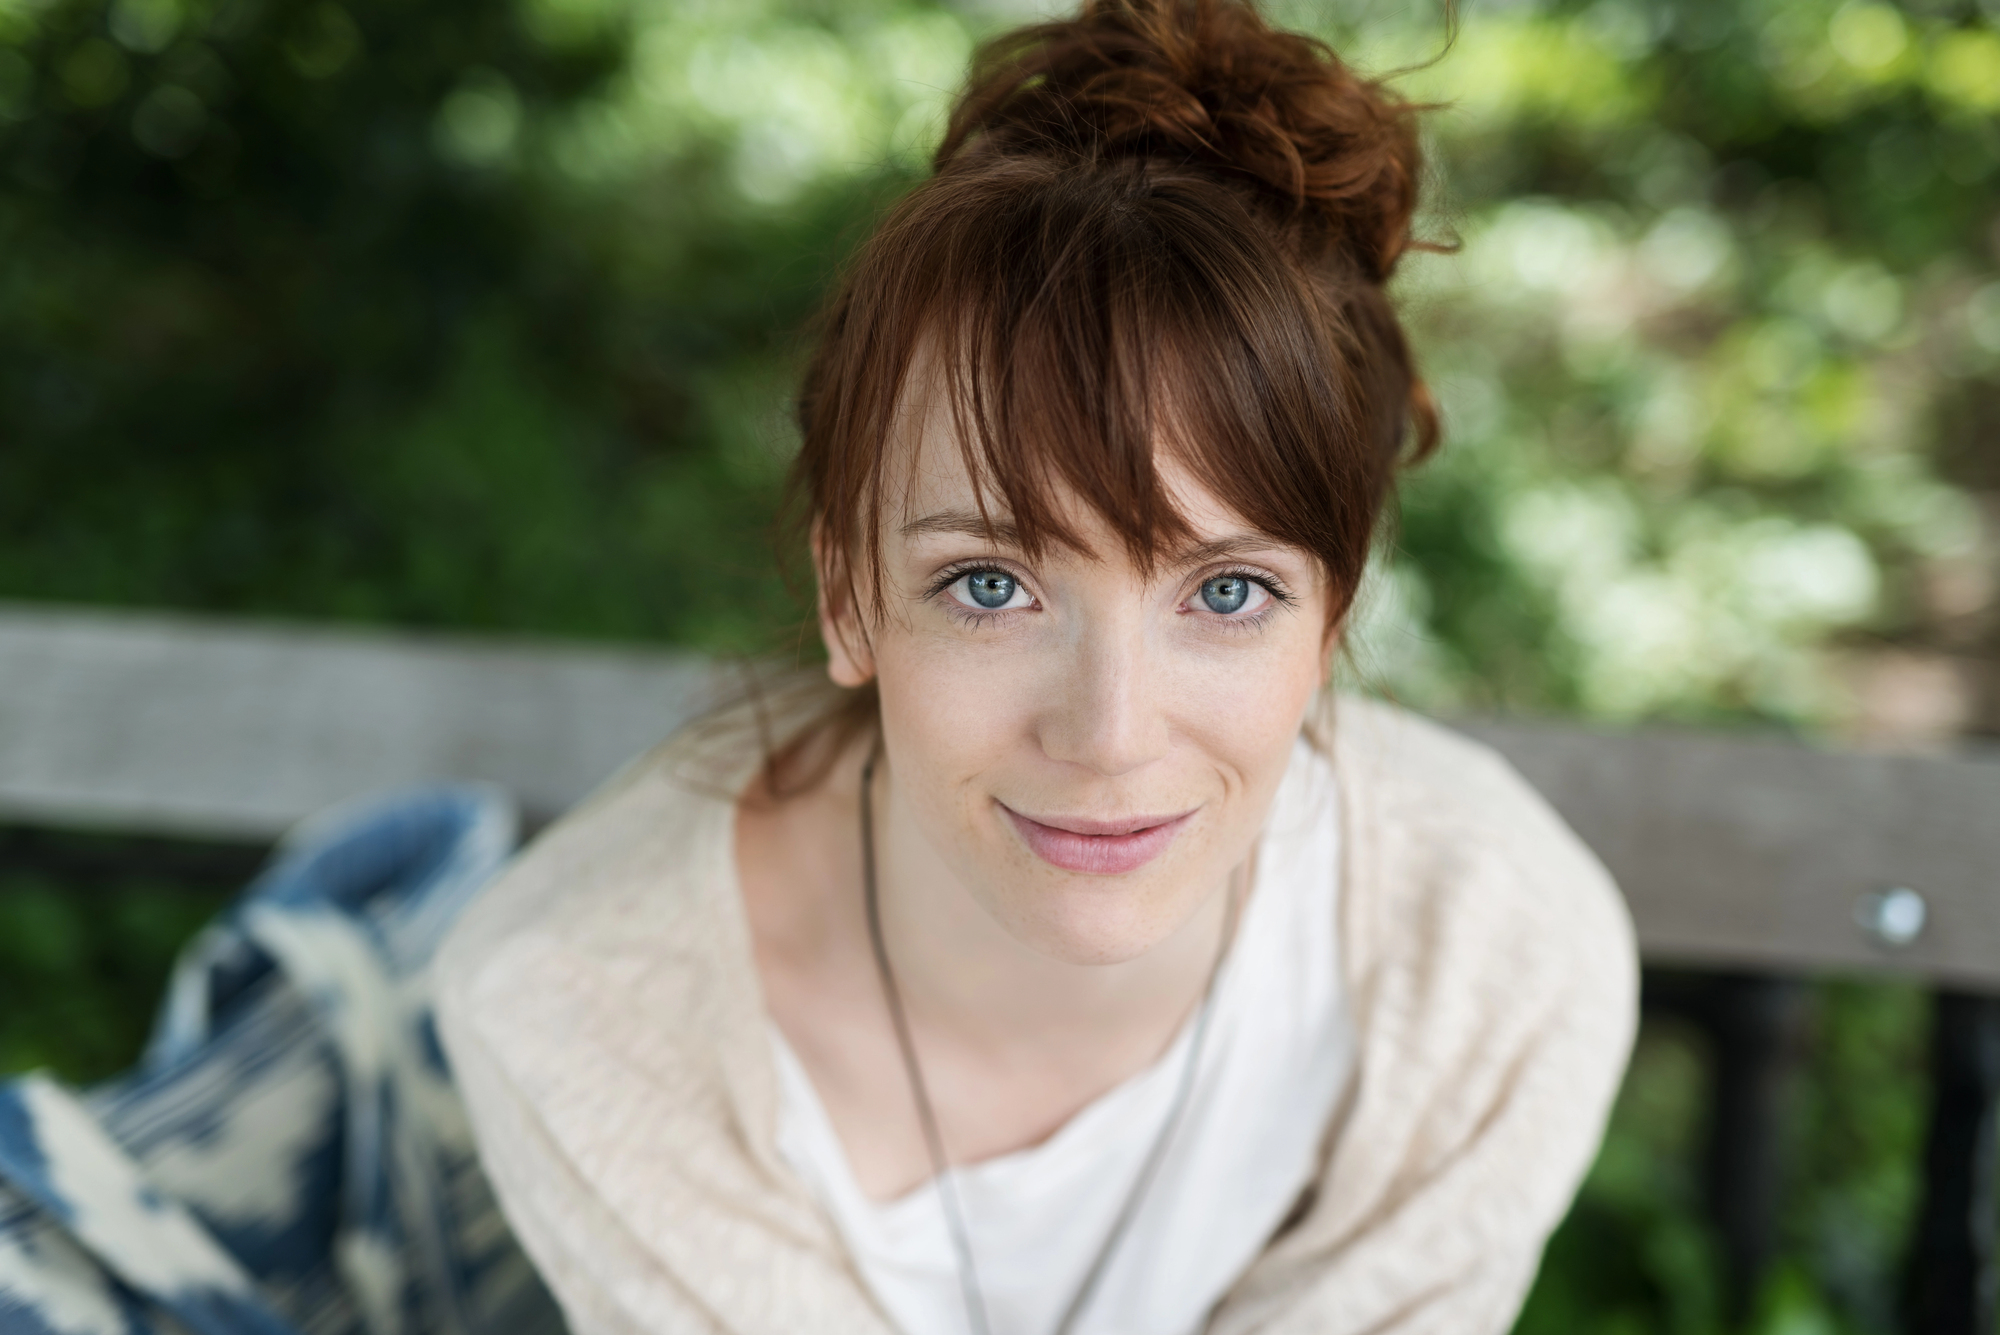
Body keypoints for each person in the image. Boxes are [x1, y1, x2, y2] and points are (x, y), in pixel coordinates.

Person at [433, 2, 1638, 1332]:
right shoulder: (580, 1005)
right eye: (991, 584)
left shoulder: (1490, 955)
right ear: (850, 597)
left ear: (1333, 619)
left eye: (1228, 592)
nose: (1110, 733)